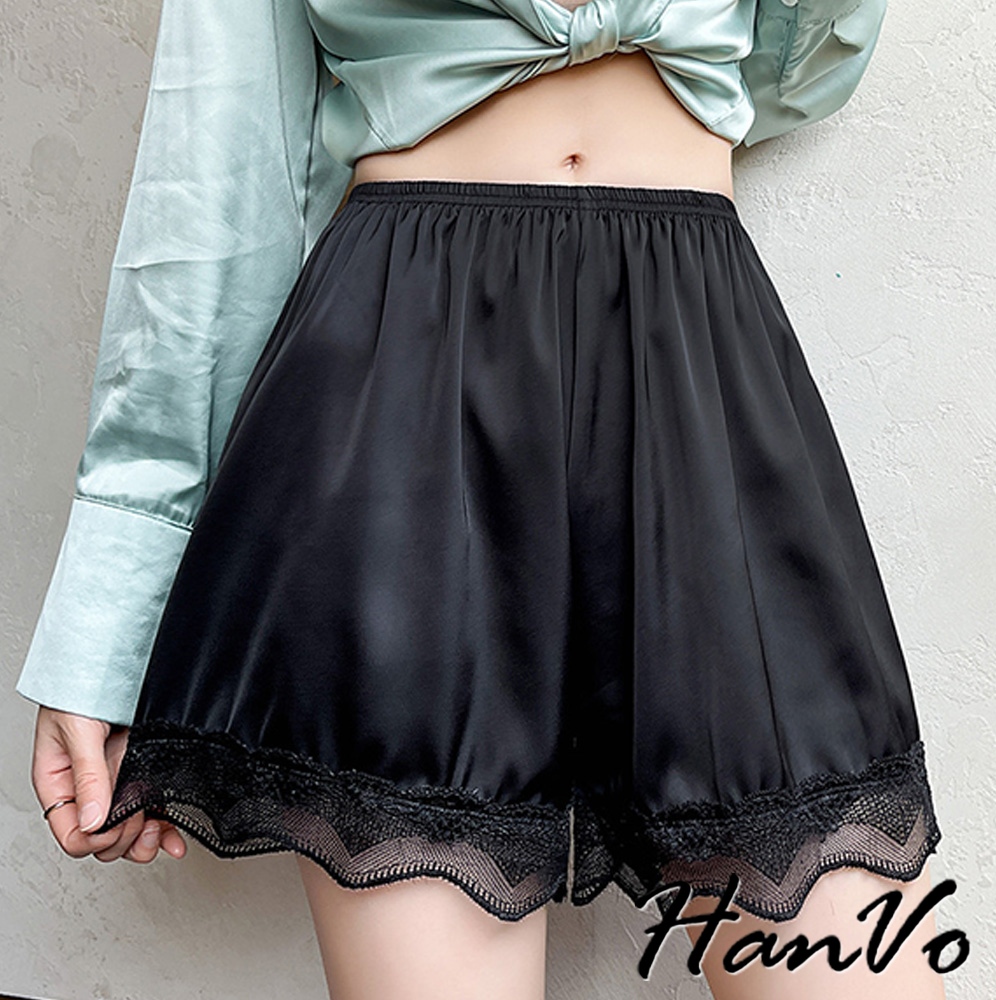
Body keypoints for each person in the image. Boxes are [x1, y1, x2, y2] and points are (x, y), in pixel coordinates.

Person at [16, 1, 946, 997]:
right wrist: (110, 639)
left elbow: (806, 51)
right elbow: (217, 177)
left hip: (690, 342)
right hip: (406, 370)